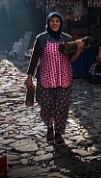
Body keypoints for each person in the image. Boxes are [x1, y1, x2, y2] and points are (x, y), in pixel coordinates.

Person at [25, 12, 84, 145]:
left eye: (57, 21)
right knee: (46, 105)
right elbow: (34, 59)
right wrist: (29, 77)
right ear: (48, 22)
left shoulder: (67, 39)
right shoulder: (41, 39)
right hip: (46, 77)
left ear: (61, 23)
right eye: (52, 21)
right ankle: (49, 127)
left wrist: (79, 49)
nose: (55, 23)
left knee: (62, 107)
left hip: (64, 78)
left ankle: (58, 133)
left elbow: (72, 59)